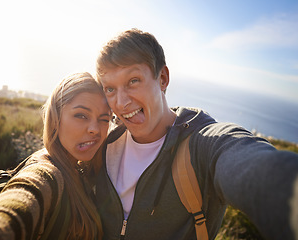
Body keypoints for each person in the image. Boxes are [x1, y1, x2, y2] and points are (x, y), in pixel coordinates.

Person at [94, 28, 298, 240]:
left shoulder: (202, 146)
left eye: (133, 81)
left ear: (162, 78)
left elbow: (247, 160)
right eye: (110, 89)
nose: (121, 102)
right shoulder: (103, 144)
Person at [0, 72, 111, 240]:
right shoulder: (46, 173)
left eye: (104, 119)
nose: (95, 129)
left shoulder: (81, 169)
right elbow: (13, 211)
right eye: (81, 115)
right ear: (56, 117)